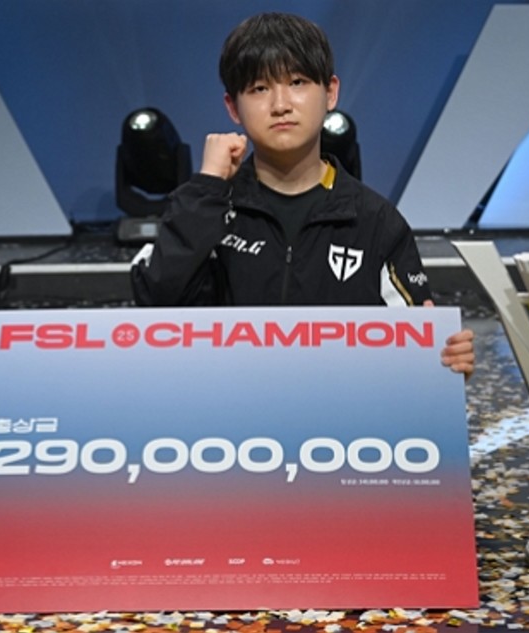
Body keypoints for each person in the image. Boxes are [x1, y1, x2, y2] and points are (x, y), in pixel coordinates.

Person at [131, 12, 474, 377]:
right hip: (226, 404)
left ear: (331, 92)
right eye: (259, 88)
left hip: (339, 409)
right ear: (232, 107)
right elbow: (155, 304)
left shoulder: (375, 220)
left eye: (297, 82)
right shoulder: (205, 207)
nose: (280, 104)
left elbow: (420, 348)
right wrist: (207, 186)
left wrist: (448, 362)